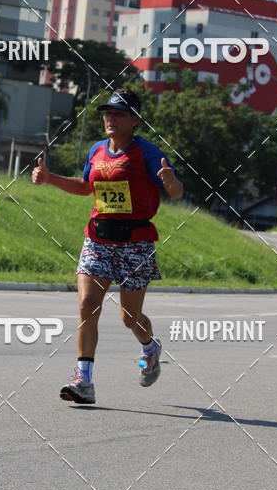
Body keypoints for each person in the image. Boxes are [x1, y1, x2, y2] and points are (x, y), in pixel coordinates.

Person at [32, 88, 183, 404]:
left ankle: (149, 347)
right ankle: (83, 381)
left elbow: (176, 191)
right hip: (98, 239)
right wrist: (49, 178)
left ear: (135, 120)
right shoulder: (97, 150)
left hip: (135, 243)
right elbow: (86, 186)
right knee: (88, 306)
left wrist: (170, 181)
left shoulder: (147, 152)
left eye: (119, 114)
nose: (110, 119)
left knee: (129, 317)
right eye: (107, 113)